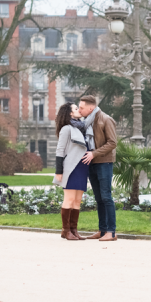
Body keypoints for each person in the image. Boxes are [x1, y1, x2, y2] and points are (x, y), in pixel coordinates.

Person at [77, 94, 118, 241]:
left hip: (104, 162)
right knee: (99, 198)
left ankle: (111, 232)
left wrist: (94, 154)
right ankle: (102, 230)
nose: (79, 110)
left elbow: (112, 142)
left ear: (91, 107)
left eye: (82, 107)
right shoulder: (87, 121)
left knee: (106, 197)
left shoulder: (105, 119)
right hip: (92, 163)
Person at [53, 102, 90, 241]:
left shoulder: (83, 128)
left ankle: (74, 230)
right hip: (71, 167)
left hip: (82, 167)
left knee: (77, 201)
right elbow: (60, 150)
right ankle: (65, 230)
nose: (79, 110)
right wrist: (59, 170)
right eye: (76, 108)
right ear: (70, 113)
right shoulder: (66, 129)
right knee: (69, 199)